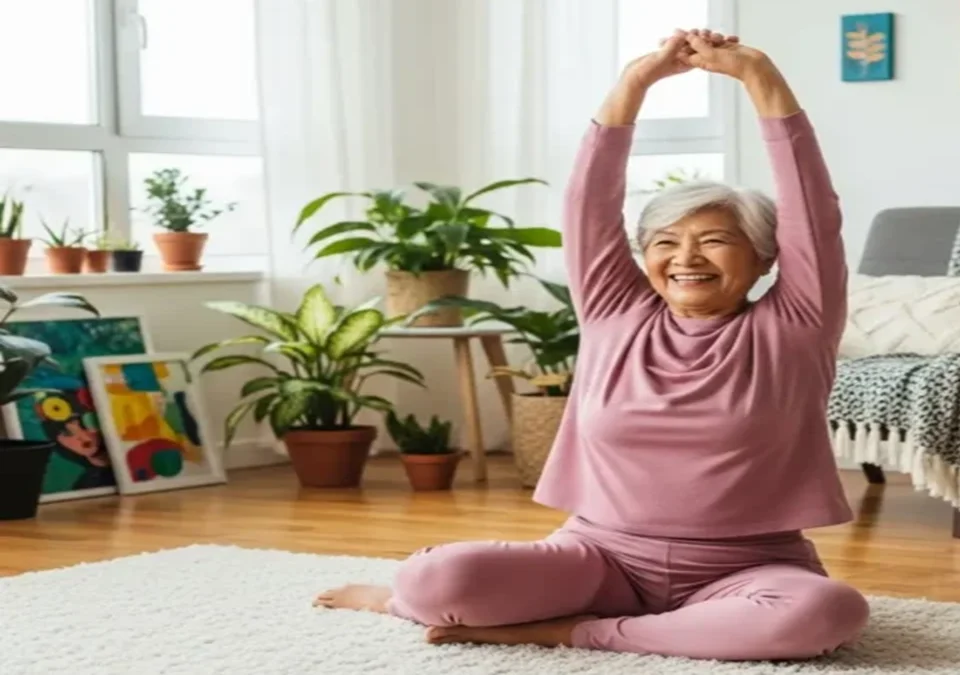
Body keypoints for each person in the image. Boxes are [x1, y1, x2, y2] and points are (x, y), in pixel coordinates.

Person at [315, 29, 870, 663]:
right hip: (599, 558)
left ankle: (572, 632)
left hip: (747, 566)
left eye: (714, 240)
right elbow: (588, 203)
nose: (685, 257)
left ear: (766, 255)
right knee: (432, 579)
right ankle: (409, 601)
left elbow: (813, 212)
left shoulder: (796, 323)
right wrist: (635, 83)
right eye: (664, 241)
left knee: (828, 612)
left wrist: (759, 76)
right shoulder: (614, 312)